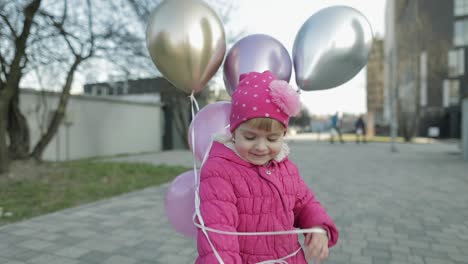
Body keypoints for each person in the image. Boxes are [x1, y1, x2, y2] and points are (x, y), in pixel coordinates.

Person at [195, 71, 338, 264]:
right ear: (234, 132)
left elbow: (305, 203)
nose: (261, 147)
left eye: (272, 139)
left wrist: (317, 227)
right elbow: (218, 237)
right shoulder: (219, 172)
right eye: (250, 137)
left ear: (283, 135)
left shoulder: (286, 168)